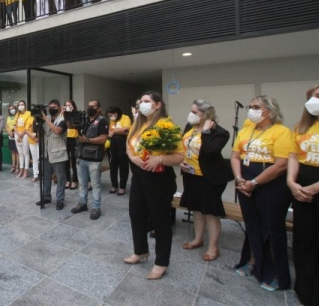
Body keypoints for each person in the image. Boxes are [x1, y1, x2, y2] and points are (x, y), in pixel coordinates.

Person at [231, 95, 291, 291]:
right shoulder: (247, 130)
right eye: (250, 106)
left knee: (272, 230)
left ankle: (277, 275)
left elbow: (282, 164)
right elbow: (235, 156)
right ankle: (253, 262)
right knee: (252, 226)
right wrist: (239, 179)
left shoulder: (281, 132)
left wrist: (255, 183)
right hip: (244, 181)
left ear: (270, 111)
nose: (251, 110)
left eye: (256, 107)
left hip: (270, 184)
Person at [124, 91, 183, 280]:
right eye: (141, 101)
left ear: (158, 105)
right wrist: (133, 157)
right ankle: (140, 251)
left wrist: (159, 158)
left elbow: (180, 156)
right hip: (139, 177)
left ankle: (161, 262)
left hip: (159, 180)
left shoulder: (167, 126)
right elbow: (128, 146)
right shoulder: (137, 125)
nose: (142, 104)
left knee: (160, 221)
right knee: (136, 214)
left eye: (147, 101)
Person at [179, 100, 231, 262]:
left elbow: (209, 151)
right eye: (191, 111)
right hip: (191, 174)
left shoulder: (220, 133)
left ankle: (213, 247)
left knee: (210, 212)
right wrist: (181, 161)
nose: (191, 115)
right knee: (196, 209)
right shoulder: (190, 127)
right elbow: (182, 147)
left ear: (206, 114)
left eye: (195, 112)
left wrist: (206, 132)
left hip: (210, 177)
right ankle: (197, 239)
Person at [288, 84, 319, 305]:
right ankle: (304, 288)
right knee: (304, 239)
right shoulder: (301, 127)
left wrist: (315, 188)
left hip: (316, 187)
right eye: (316, 96)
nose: (316, 100)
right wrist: (291, 182)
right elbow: (293, 156)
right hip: (300, 189)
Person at [71, 99, 109, 220]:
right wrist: (69, 116)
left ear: (98, 109)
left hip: (94, 158)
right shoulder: (85, 119)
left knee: (95, 184)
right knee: (82, 183)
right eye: (88, 106)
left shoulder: (102, 121)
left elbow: (103, 139)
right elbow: (71, 127)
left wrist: (87, 140)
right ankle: (82, 204)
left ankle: (96, 208)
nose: (90, 108)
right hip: (81, 157)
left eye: (93, 106)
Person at [36, 100, 68, 209]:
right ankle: (46, 197)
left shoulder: (63, 120)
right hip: (46, 153)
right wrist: (36, 121)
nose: (51, 108)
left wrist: (45, 119)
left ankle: (60, 200)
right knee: (46, 177)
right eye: (50, 107)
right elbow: (38, 134)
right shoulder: (46, 120)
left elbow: (58, 131)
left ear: (59, 108)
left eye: (54, 107)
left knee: (60, 177)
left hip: (58, 153)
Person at [107, 106, 131, 195]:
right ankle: (114, 185)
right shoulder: (112, 120)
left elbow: (126, 130)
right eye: (109, 115)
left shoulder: (125, 118)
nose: (111, 116)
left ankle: (122, 187)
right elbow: (110, 131)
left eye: (112, 114)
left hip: (122, 143)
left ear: (117, 113)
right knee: (113, 165)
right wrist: (117, 131)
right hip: (113, 143)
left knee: (123, 165)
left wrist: (114, 132)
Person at [14, 100, 32, 179]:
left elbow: (27, 125)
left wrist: (22, 133)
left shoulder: (28, 113)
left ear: (25, 105)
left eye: (22, 104)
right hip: (17, 135)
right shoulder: (17, 114)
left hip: (25, 134)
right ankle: (21, 169)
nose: (21, 106)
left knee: (25, 153)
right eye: (19, 104)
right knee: (20, 153)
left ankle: (26, 170)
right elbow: (14, 125)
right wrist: (18, 133)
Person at [64, 100, 79, 190]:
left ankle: (74, 180)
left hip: (74, 138)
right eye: (66, 105)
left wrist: (71, 113)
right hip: (65, 139)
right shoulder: (63, 115)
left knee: (73, 160)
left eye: (70, 105)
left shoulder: (76, 114)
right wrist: (63, 113)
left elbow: (76, 125)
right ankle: (68, 179)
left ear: (73, 106)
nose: (68, 107)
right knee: (66, 160)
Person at [6, 104, 20, 174]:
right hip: (10, 135)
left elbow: (18, 125)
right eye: (10, 109)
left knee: (17, 151)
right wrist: (9, 133)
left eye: (13, 108)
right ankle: (13, 166)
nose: (12, 110)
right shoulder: (8, 117)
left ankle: (17, 166)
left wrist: (14, 132)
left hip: (16, 134)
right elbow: (7, 126)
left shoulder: (18, 116)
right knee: (13, 151)